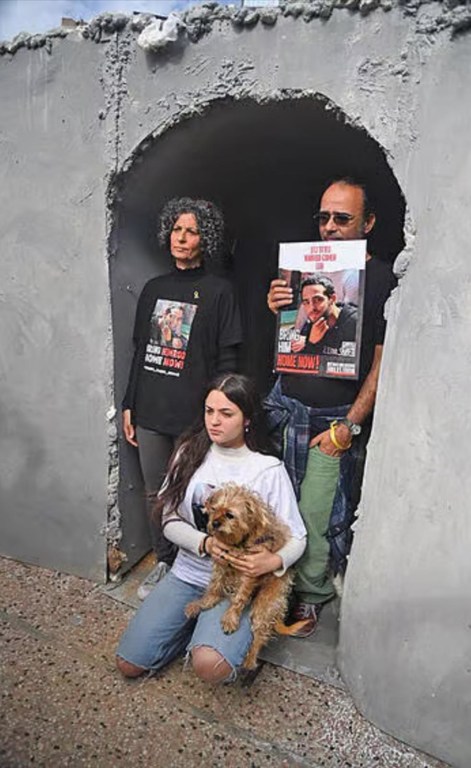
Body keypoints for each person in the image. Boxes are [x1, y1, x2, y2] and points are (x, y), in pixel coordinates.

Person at [266, 177, 397, 637]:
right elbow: (291, 345)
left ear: (369, 222)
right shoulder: (299, 273)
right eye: (323, 217)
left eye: (342, 218)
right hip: (286, 407)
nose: (330, 227)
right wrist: (279, 309)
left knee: (324, 512)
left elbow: (384, 360)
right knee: (282, 505)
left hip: (334, 417)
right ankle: (280, 584)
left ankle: (313, 593)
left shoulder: (382, 278)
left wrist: (350, 425)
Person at [116, 374, 307, 683]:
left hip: (237, 585)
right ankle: (190, 630)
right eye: (209, 411)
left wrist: (273, 561)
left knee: (210, 666)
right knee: (129, 663)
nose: (214, 421)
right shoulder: (189, 452)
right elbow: (168, 519)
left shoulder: (268, 469)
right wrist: (203, 543)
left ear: (247, 419)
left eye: (226, 413)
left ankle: (212, 638)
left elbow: (298, 537)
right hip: (188, 575)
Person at [122, 198, 242, 599]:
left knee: (194, 492)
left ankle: (200, 567)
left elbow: (228, 358)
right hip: (150, 411)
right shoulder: (155, 289)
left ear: (204, 238)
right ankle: (164, 562)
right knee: (155, 491)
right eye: (176, 229)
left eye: (191, 231)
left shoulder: (220, 291)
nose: (181, 237)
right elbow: (141, 351)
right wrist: (129, 404)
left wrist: (220, 413)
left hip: (194, 415)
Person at [291, 275, 357, 355]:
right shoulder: (311, 324)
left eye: (318, 300)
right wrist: (311, 342)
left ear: (332, 299)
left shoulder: (354, 322)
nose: (312, 307)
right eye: (306, 302)